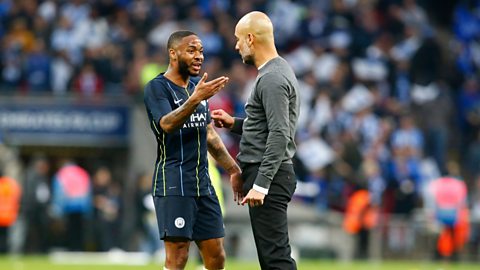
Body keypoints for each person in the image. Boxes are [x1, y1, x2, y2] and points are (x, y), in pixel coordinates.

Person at [143, 30, 242, 270]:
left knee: (216, 255)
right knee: (178, 257)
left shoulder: (198, 89)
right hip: (173, 182)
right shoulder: (157, 88)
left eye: (201, 51)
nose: (199, 56)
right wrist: (195, 99)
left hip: (203, 184)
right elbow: (166, 124)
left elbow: (208, 134)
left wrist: (233, 169)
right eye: (192, 50)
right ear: (173, 54)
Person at [211, 11, 300, 270]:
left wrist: (261, 184)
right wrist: (234, 123)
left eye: (239, 39)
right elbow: (267, 127)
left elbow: (280, 133)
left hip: (269, 175)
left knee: (276, 260)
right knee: (271, 259)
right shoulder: (274, 71)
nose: (237, 45)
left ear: (251, 38)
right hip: (268, 173)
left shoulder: (271, 77)